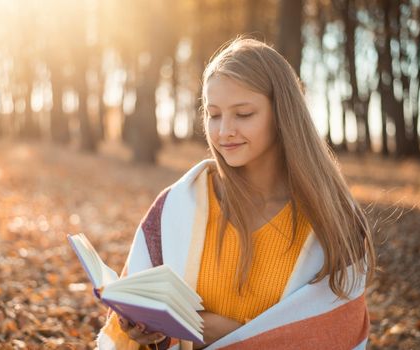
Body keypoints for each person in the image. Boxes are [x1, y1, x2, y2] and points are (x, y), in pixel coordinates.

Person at [96, 37, 375, 350]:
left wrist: (226, 332)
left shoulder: (333, 220)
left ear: (283, 114)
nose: (224, 131)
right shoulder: (177, 206)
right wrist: (139, 329)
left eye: (243, 114)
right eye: (214, 115)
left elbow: (335, 335)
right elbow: (137, 313)